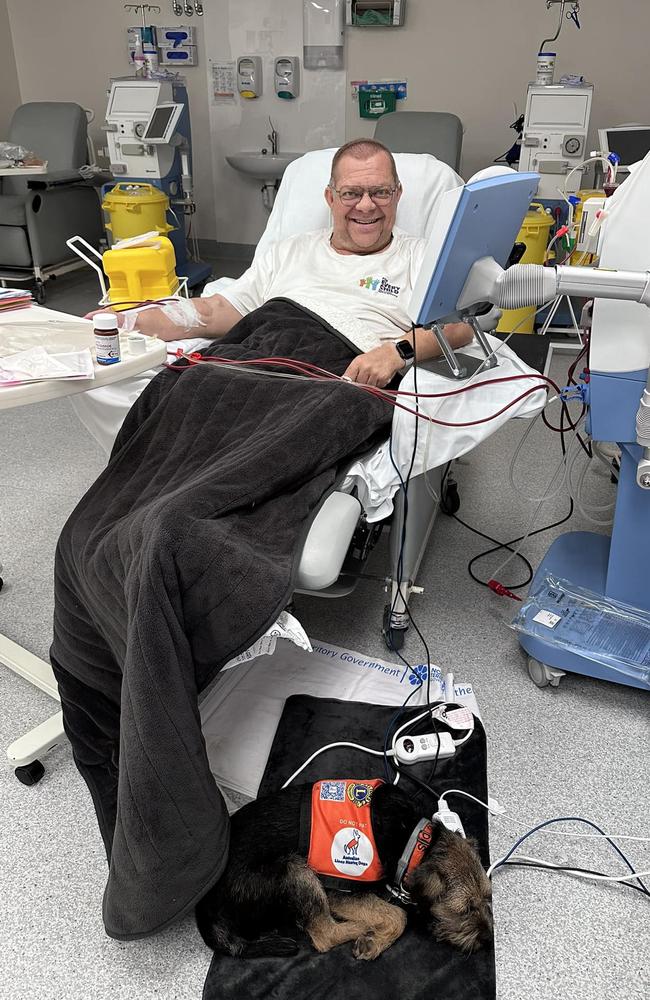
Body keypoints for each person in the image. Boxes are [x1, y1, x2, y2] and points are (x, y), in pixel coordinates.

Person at [94, 139, 473, 390]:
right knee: (176, 392)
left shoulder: (420, 256)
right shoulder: (288, 251)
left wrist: (394, 353)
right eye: (351, 193)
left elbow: (456, 328)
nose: (367, 205)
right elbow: (215, 311)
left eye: (380, 192)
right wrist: (123, 323)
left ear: (398, 194)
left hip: (334, 375)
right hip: (262, 355)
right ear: (330, 197)